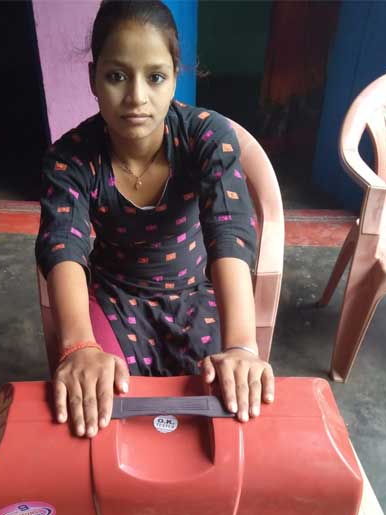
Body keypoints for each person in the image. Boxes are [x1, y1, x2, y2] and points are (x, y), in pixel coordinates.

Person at [36, 0, 274, 439]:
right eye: (116, 76)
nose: (136, 98)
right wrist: (79, 346)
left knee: (220, 413)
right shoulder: (70, 157)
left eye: (155, 77)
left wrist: (242, 346)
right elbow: (62, 244)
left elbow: (229, 229)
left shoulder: (206, 137)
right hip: (113, 297)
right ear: (92, 78)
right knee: (103, 415)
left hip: (197, 295)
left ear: (175, 78)